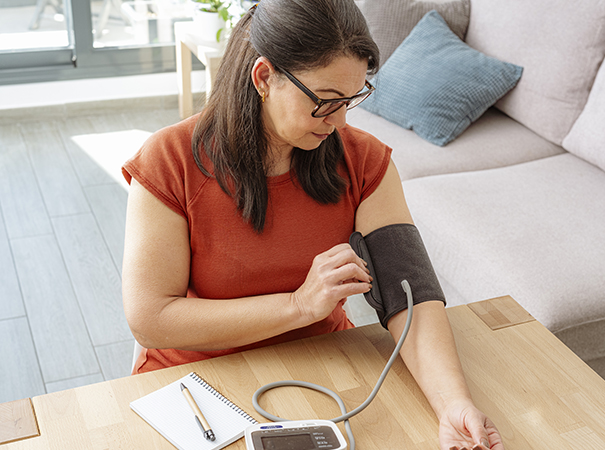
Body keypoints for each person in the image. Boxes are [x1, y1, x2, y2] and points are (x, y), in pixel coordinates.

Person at [121, 1, 504, 449]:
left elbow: (410, 295)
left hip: (322, 369)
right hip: (195, 390)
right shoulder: (168, 160)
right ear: (264, 78)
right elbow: (151, 319)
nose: (340, 122)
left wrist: (452, 404)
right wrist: (299, 306)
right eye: (325, 102)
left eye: (351, 100)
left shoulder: (363, 161)